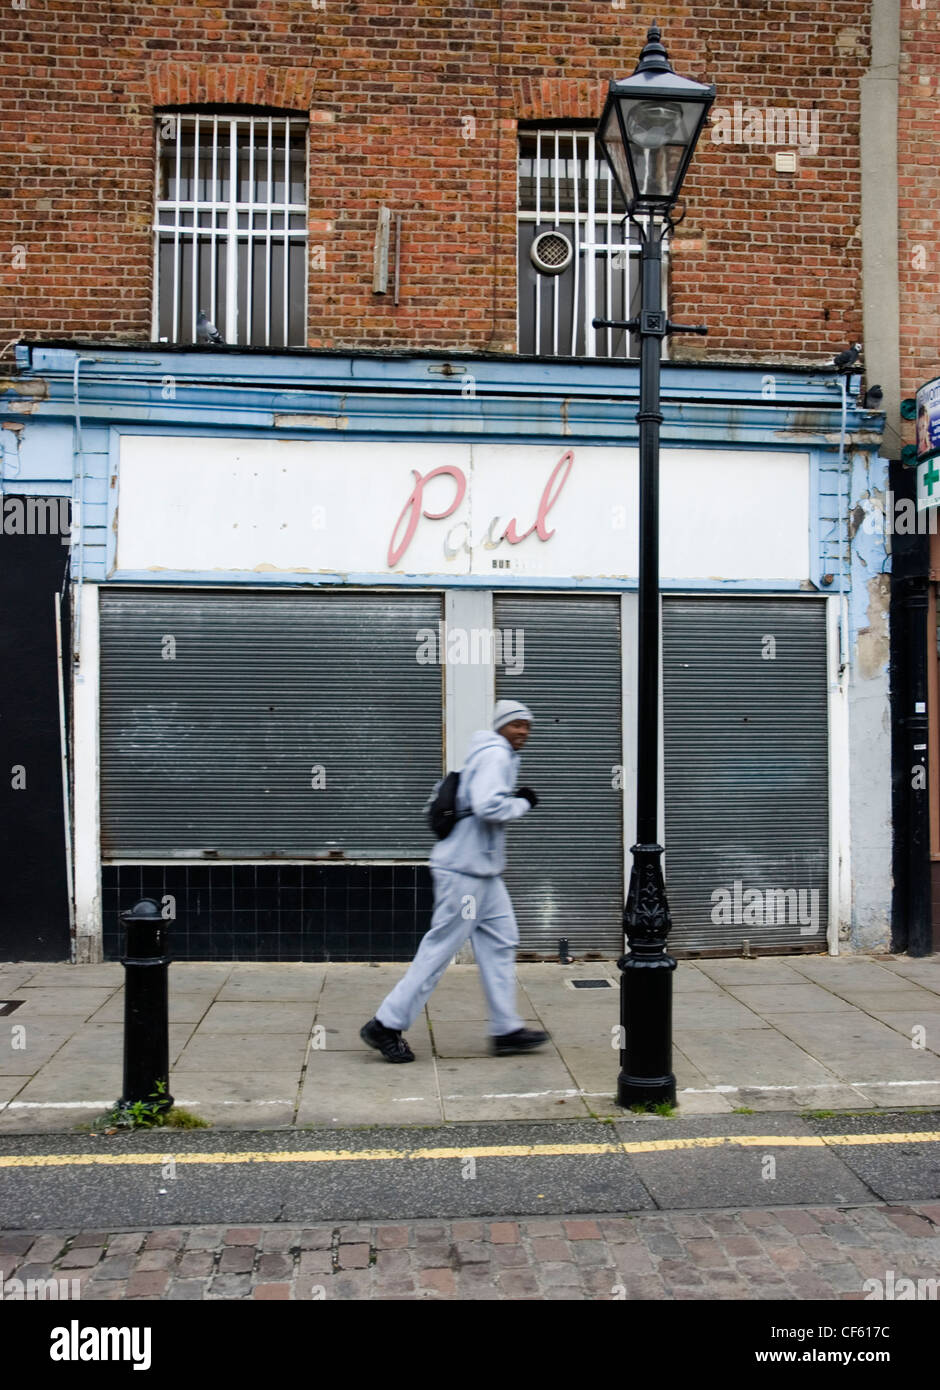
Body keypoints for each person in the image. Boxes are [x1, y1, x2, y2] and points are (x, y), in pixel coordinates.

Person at [360, 699, 549, 1062]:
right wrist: (523, 803)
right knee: (441, 947)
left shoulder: (498, 755)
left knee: (501, 939)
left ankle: (506, 1028)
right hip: (464, 875)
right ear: (501, 727)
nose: (523, 731)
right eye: (516, 725)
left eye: (527, 725)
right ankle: (386, 1023)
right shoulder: (495, 754)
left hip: (483, 875)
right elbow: (487, 806)